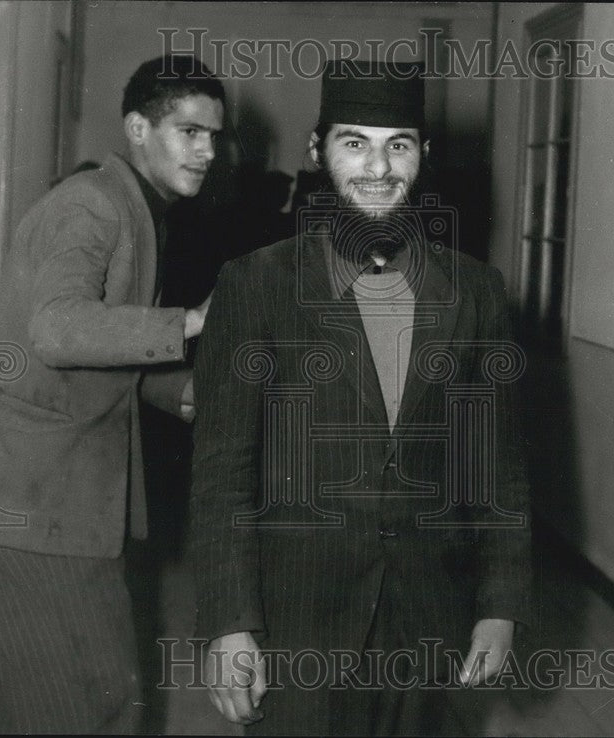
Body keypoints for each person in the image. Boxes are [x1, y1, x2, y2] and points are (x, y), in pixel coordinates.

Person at [189, 60, 532, 736]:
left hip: (427, 614)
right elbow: (222, 471)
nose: (379, 167)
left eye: (398, 144)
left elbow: (499, 464)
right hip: (295, 620)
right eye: (355, 142)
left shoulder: (476, 291)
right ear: (317, 152)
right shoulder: (255, 285)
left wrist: (502, 603)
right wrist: (228, 623)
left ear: (423, 154)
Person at [0, 54, 225, 733]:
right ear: (138, 128)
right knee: (94, 701)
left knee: (48, 705)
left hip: (48, 498)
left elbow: (109, 349)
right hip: (34, 502)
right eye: (190, 131)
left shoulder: (136, 209)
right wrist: (192, 321)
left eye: (214, 136)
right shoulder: (94, 204)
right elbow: (57, 328)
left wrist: (192, 394)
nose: (207, 151)